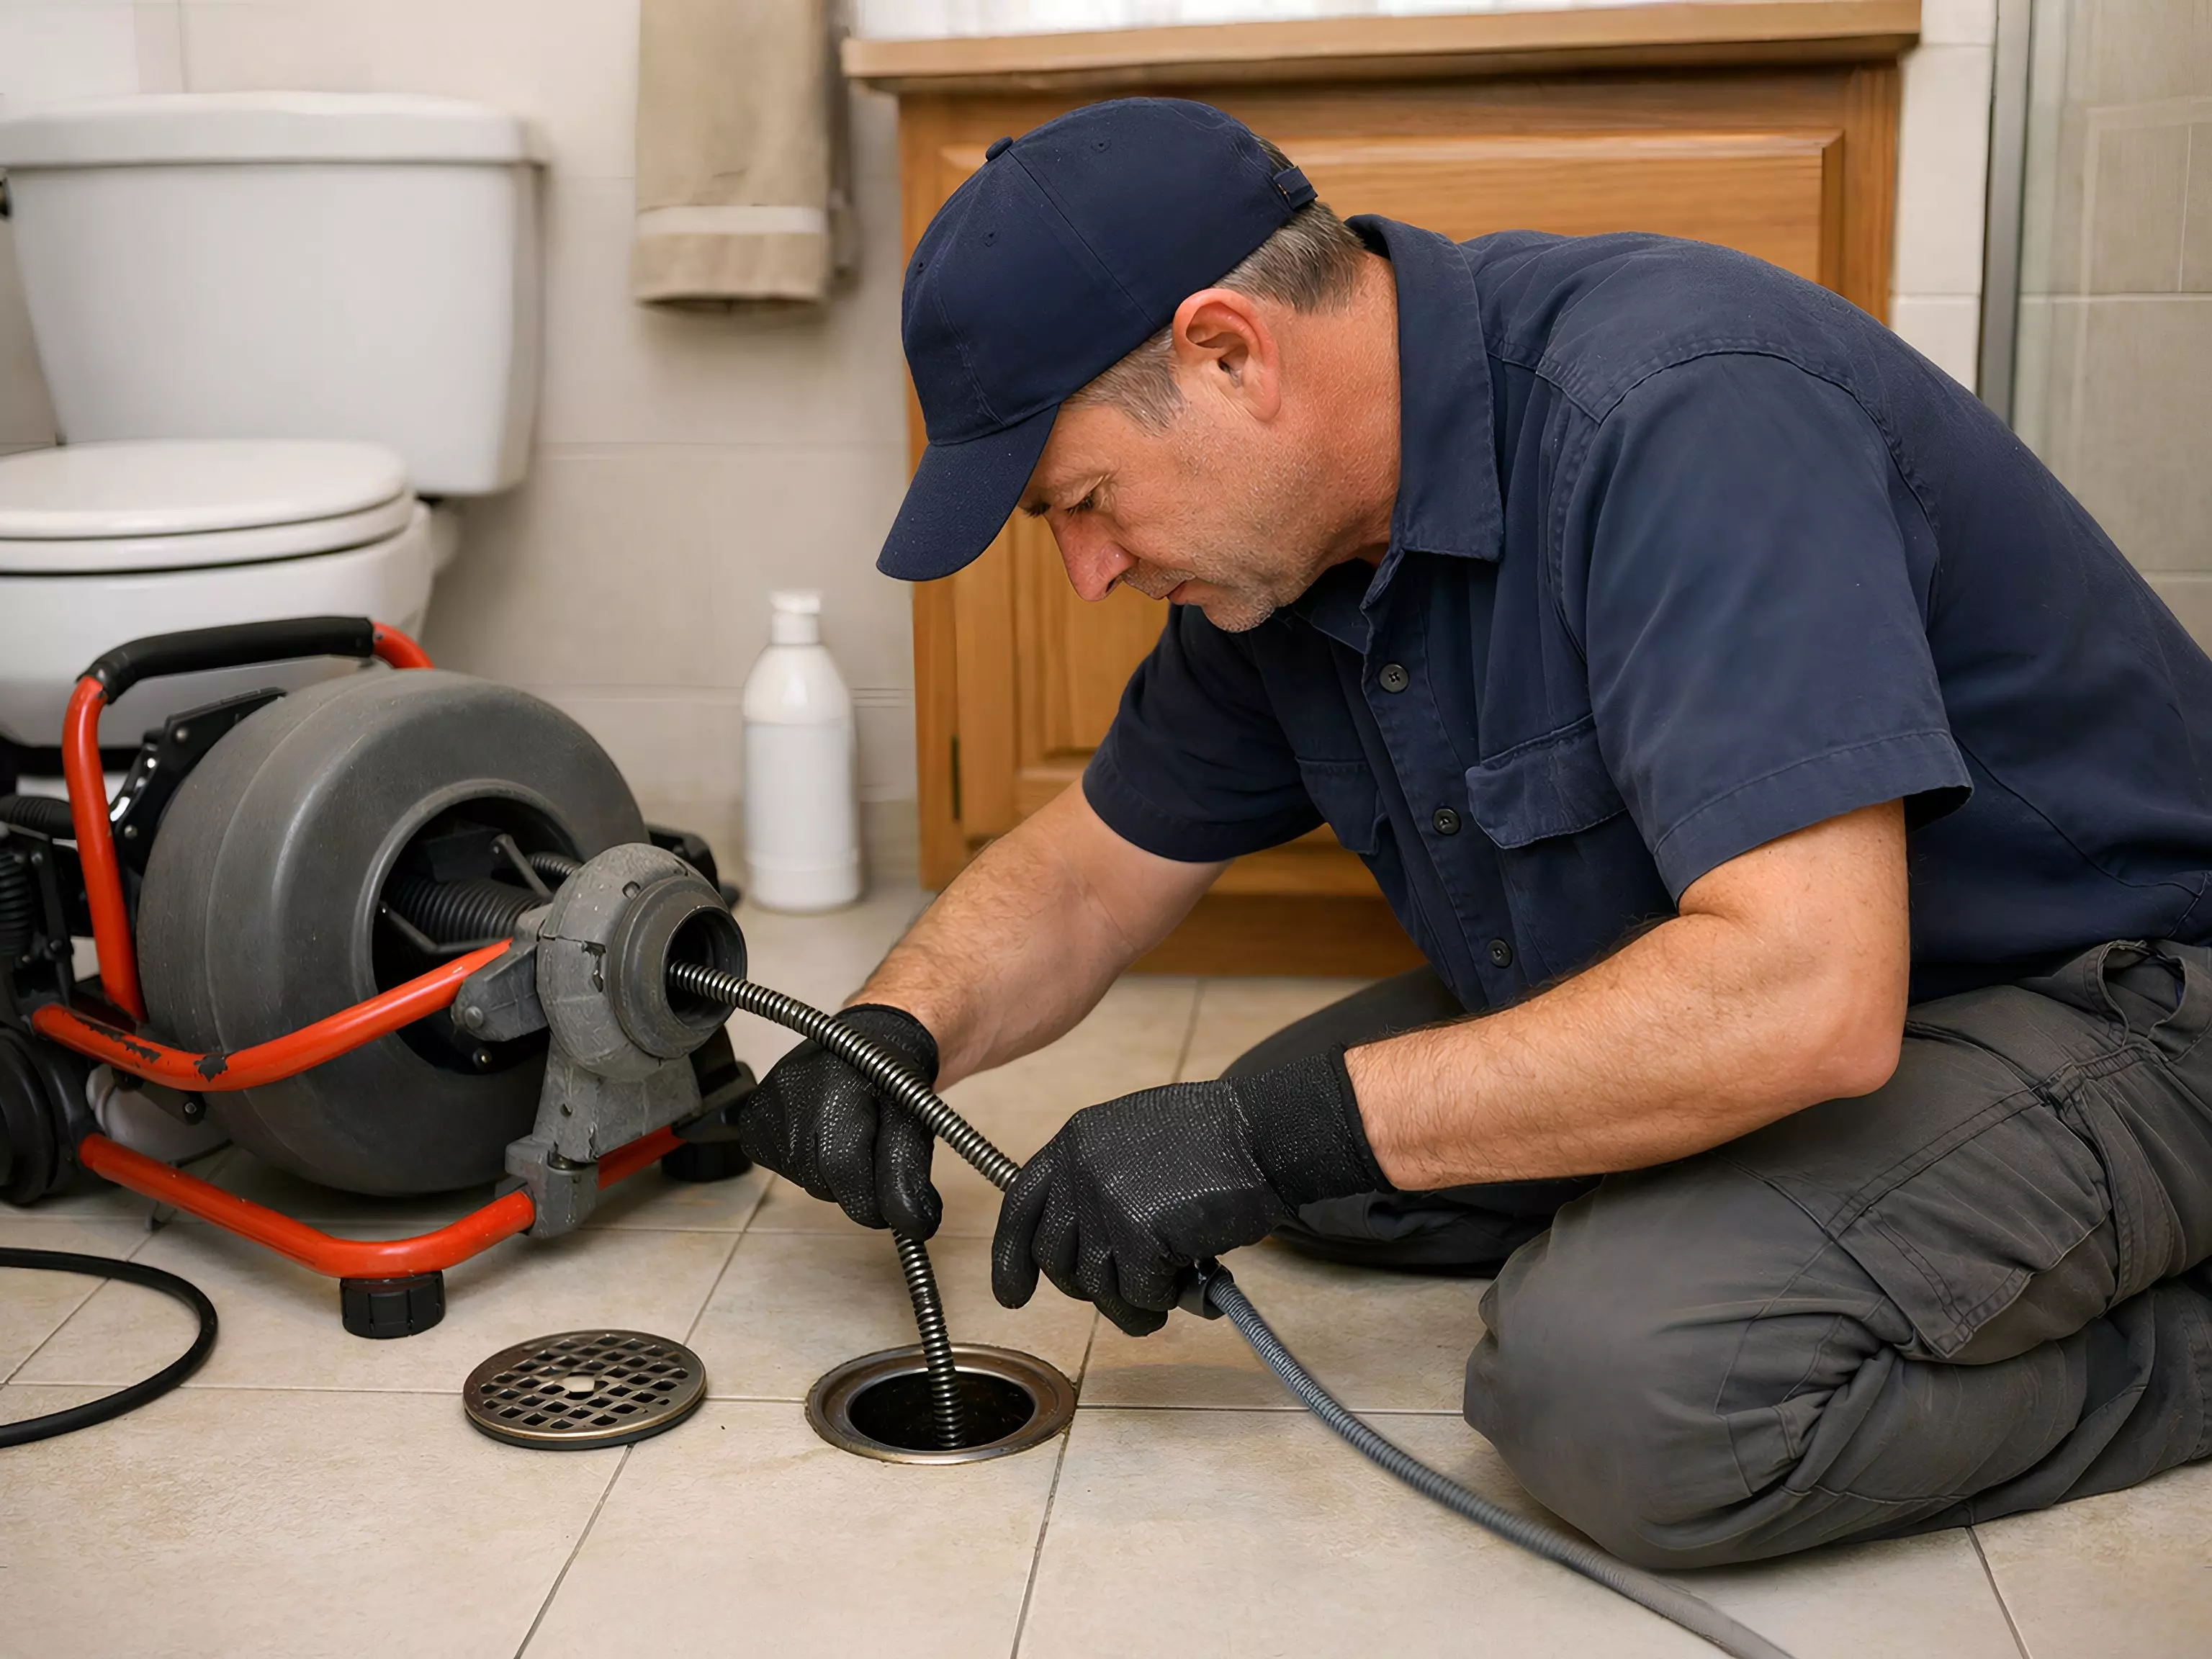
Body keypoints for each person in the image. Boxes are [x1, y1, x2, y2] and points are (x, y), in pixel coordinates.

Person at [691, 99, 2212, 1567]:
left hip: (2110, 1000)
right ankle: (1761, 1211)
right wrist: (899, 1027)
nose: (1088, 572)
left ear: (1229, 353)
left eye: (1084, 501)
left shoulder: (1679, 412)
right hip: (1834, 990)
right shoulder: (1281, 555)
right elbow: (1091, 875)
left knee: (1621, 1391)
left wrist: (1271, 1142)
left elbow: (1804, 992)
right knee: (1325, 1152)